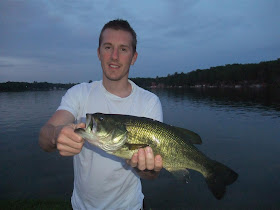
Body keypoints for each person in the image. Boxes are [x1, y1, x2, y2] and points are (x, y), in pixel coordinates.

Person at [39, 19, 163, 210]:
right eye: (107, 47)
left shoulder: (149, 102)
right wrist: (56, 135)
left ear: (134, 57)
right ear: (98, 53)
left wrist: (145, 167)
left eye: (123, 49)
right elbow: (45, 136)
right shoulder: (79, 93)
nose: (114, 56)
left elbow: (151, 174)